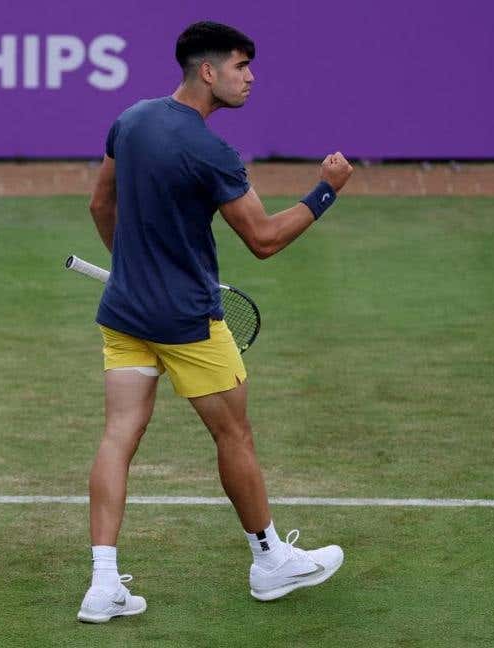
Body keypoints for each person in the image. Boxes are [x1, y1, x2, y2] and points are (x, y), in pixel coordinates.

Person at [76, 21, 354, 624]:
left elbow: (102, 204)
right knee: (235, 436)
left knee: (118, 438)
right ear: (209, 72)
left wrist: (129, 267)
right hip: (188, 321)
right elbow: (263, 239)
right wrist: (326, 190)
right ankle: (269, 562)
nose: (249, 78)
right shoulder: (212, 151)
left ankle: (102, 585)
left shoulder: (130, 120)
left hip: (124, 311)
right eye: (240, 67)